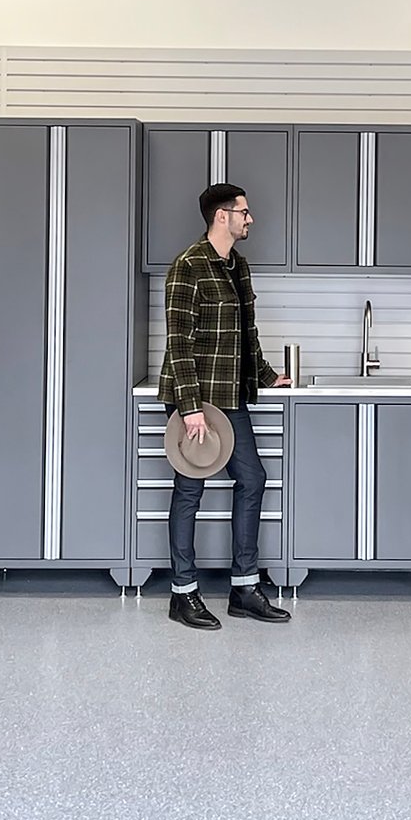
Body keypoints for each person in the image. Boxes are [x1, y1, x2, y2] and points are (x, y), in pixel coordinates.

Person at [159, 182, 292, 630]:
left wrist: (270, 376)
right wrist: (189, 406)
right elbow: (178, 341)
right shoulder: (187, 266)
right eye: (244, 212)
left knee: (252, 478)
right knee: (189, 491)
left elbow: (246, 335)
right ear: (222, 216)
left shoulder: (239, 266)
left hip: (231, 396)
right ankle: (183, 594)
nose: (249, 218)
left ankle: (244, 589)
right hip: (196, 400)